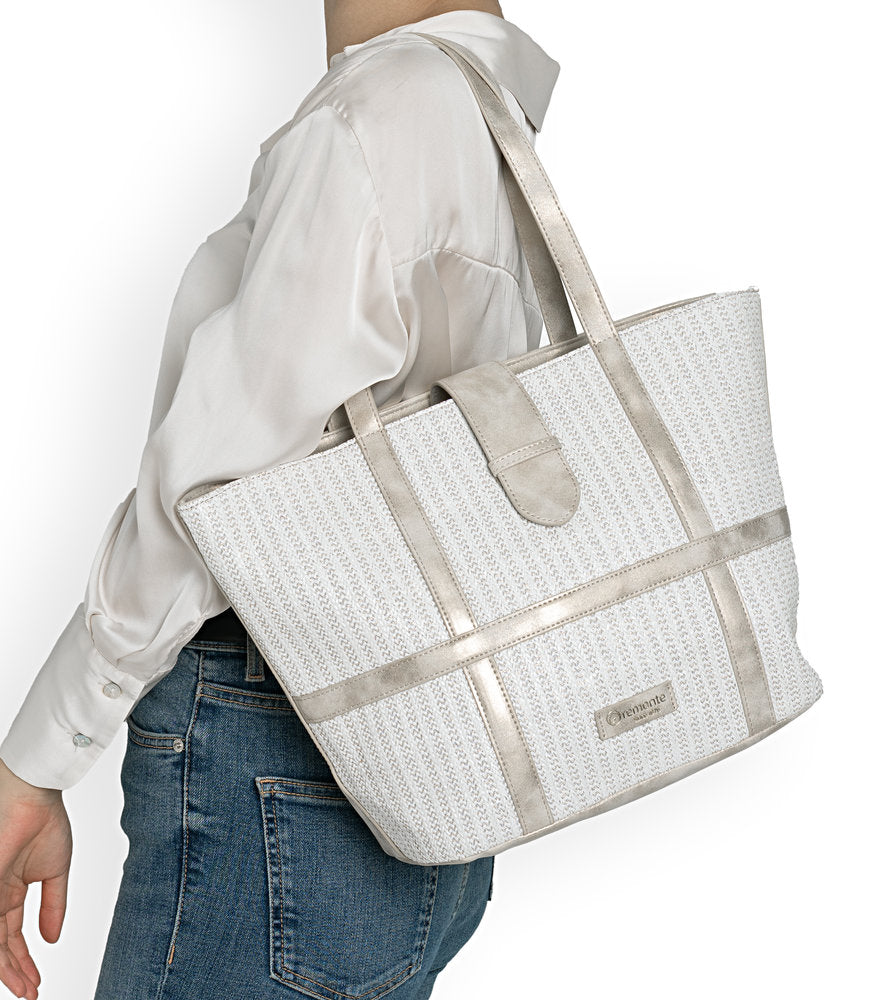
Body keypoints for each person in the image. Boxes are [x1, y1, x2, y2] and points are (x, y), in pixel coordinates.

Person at [0, 2, 562, 996]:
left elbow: (217, 489)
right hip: (415, 764)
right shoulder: (479, 106)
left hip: (277, 753)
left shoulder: (385, 110)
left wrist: (38, 758)